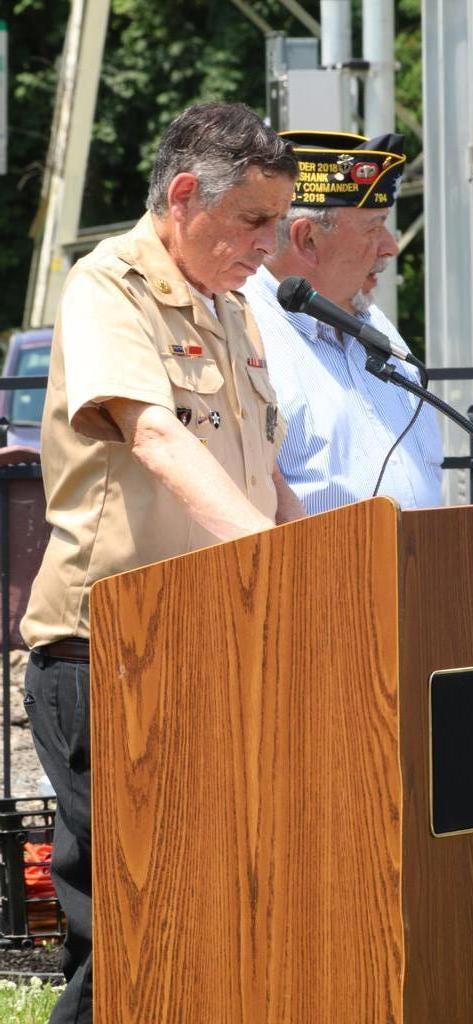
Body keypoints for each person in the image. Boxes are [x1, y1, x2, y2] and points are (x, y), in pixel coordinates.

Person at [20, 102, 304, 1024]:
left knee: (211, 911)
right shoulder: (110, 287)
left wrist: (331, 564)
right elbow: (156, 440)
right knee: (137, 928)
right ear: (185, 196)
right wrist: (281, 564)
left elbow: (264, 480)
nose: (272, 244)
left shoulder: (234, 307)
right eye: (255, 221)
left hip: (218, 640)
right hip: (110, 652)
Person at [243, 129, 443, 514]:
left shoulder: (370, 316)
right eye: (374, 227)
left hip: (424, 563)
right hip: (319, 569)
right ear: (307, 240)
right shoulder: (243, 331)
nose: (391, 246)